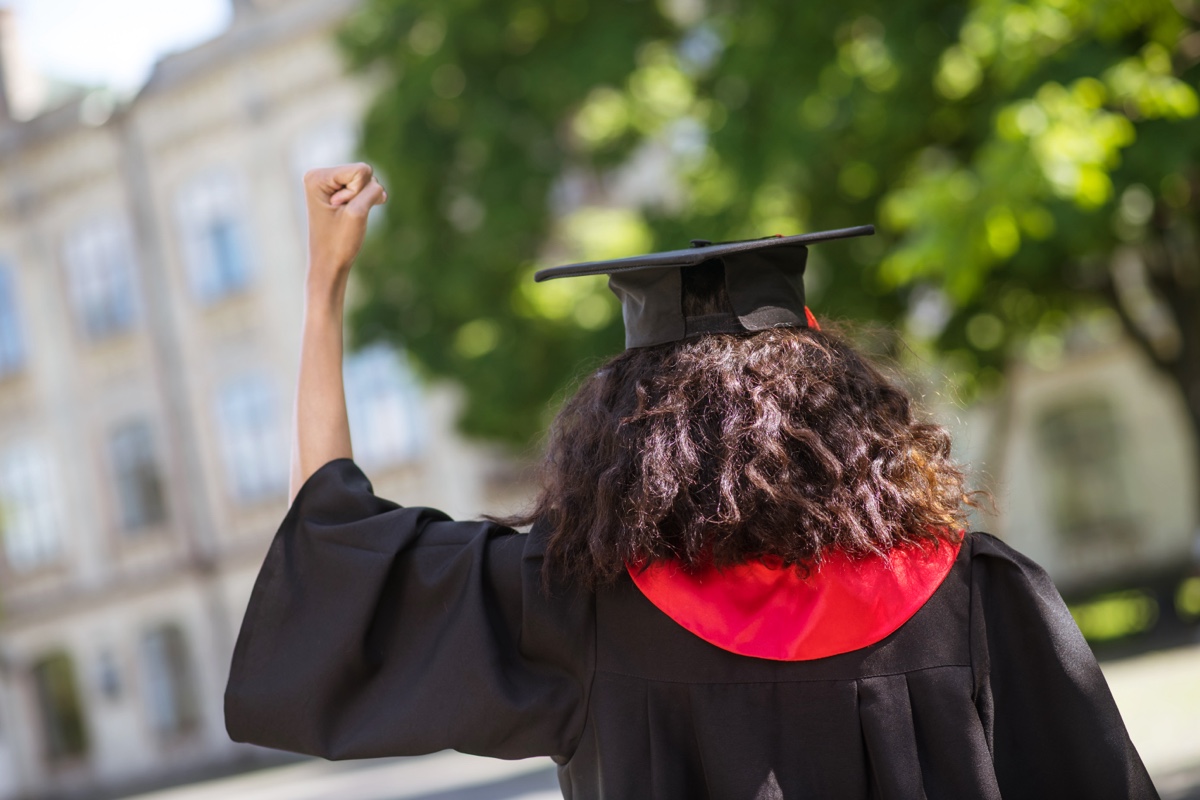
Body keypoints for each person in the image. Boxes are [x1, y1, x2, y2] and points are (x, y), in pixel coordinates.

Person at [224, 162, 1159, 799]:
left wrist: (324, 290)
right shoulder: (979, 595)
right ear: (840, 402)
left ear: (626, 429)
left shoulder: (570, 609)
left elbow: (342, 547)